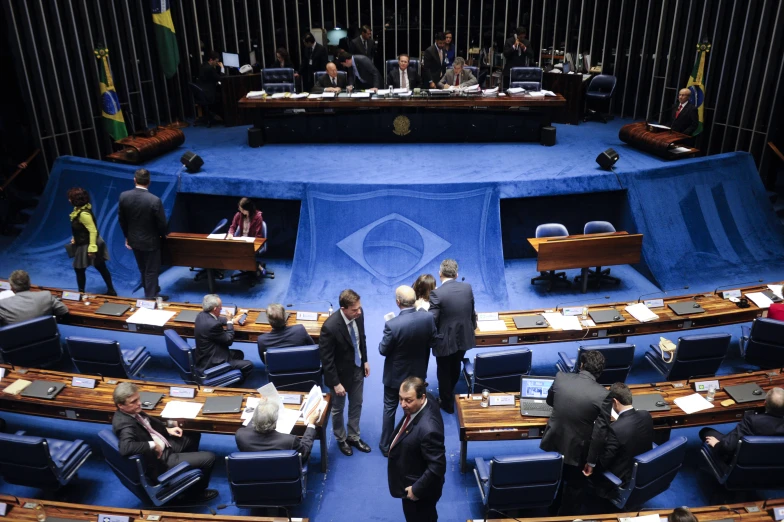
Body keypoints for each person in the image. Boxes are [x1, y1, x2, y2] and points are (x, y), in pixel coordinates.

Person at [112, 382, 217, 501]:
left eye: (138, 399)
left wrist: (167, 429)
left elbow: (148, 427)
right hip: (162, 460)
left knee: (193, 433)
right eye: (133, 402)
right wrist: (152, 445)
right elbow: (125, 448)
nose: (139, 403)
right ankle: (195, 494)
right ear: (120, 405)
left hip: (164, 444)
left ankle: (187, 474)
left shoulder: (130, 411)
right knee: (210, 458)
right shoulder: (125, 424)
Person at [540, 350, 610, 515]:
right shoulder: (603, 395)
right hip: (578, 450)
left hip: (554, 440)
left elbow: (550, 401)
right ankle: (566, 516)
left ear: (581, 365)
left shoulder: (560, 377)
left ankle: (550, 508)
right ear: (600, 371)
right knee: (575, 487)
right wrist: (591, 462)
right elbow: (600, 432)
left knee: (554, 478)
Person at [378, 286, 438, 456]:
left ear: (398, 302)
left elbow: (383, 350)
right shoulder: (428, 318)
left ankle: (386, 446)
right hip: (418, 374)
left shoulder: (392, 324)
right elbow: (433, 341)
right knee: (418, 407)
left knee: (389, 408)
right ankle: (416, 441)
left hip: (395, 377)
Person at [318, 289, 371, 456]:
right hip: (339, 377)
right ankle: (341, 439)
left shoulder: (358, 315)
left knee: (357, 404)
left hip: (357, 369)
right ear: (343, 309)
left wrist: (365, 360)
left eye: (359, 308)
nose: (359, 312)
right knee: (338, 409)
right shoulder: (330, 327)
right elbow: (327, 360)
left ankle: (353, 436)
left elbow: (361, 338)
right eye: (354, 309)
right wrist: (336, 383)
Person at [387, 376, 446, 522]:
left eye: (408, 400)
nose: (403, 404)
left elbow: (437, 466)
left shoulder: (428, 430)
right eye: (401, 399)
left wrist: (416, 490)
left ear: (422, 398)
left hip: (420, 491)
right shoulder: (426, 401)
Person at [585, 383, 653, 498]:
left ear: (615, 402)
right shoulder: (646, 415)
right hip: (643, 470)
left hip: (622, 478)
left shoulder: (615, 429)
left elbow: (602, 463)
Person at [428, 259, 476, 414]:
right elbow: (472, 312)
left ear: (440, 274)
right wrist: (472, 327)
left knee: (443, 370)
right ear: (456, 274)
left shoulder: (436, 293)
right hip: (464, 336)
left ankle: (446, 402)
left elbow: (432, 319)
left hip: (444, 341)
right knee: (455, 365)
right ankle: (449, 394)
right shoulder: (467, 288)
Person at [118, 168, 168, 299]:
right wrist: (162, 236)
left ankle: (153, 293)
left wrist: (127, 237)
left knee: (143, 269)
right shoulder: (154, 200)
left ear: (134, 180)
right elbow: (162, 223)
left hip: (134, 240)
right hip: (151, 241)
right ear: (149, 182)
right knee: (151, 271)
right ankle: (150, 299)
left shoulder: (124, 196)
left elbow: (122, 220)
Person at [700, 387, 784, 463]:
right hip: (776, 460)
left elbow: (727, 447)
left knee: (706, 432)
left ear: (765, 403)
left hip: (744, 460)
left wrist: (716, 444)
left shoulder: (752, 421)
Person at [67, 187, 116, 296]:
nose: (69, 200)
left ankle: (82, 293)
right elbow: (81, 228)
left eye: (70, 198)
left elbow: (93, 231)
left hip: (89, 244)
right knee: (98, 267)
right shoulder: (78, 211)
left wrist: (92, 249)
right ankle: (109, 290)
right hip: (84, 242)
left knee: (82, 268)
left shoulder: (84, 214)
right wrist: (76, 237)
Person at [235, 399, 320, 461]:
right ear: (275, 422)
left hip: (252, 476)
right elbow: (304, 454)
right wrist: (311, 424)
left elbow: (254, 424)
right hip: (283, 476)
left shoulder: (240, 435)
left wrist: (262, 410)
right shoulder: (290, 441)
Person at [194, 294, 253, 381]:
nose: (222, 308)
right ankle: (235, 382)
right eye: (220, 306)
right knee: (249, 365)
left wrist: (233, 320)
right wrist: (229, 322)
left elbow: (216, 319)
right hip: (214, 361)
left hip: (205, 354)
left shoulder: (200, 315)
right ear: (215, 309)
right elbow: (229, 340)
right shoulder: (213, 325)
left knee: (239, 354)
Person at [0, 269, 69, 326]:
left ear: (11, 288)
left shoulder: (3, 304)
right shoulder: (46, 296)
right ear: (29, 283)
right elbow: (63, 311)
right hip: (46, 339)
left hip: (16, 341)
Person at [196, 51, 224, 125]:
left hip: (201, 92)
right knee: (224, 96)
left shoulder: (203, 65)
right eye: (216, 61)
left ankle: (215, 115)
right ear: (211, 60)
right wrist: (222, 68)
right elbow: (221, 78)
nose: (217, 63)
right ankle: (223, 117)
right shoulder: (210, 69)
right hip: (208, 94)